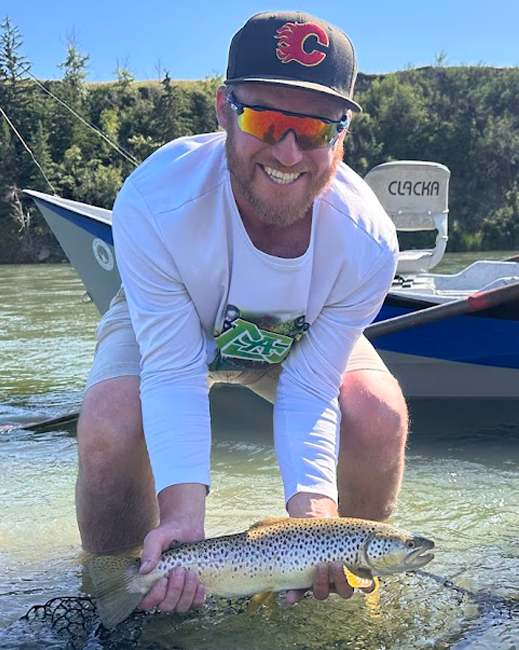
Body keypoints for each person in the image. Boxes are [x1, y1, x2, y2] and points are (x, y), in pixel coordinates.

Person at [76, 11, 408, 614]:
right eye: (267, 120)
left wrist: (316, 525)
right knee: (110, 423)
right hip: (176, 327)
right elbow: (173, 371)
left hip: (295, 338)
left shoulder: (369, 242)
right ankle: (120, 589)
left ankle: (341, 590)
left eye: (313, 130)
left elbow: (310, 387)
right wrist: (183, 517)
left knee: (378, 413)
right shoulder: (154, 201)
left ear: (343, 134)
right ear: (224, 109)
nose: (288, 151)